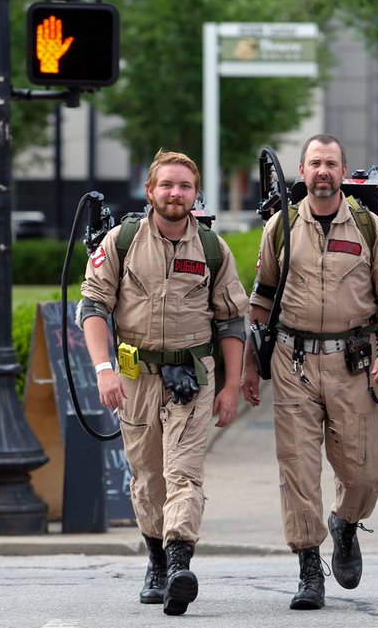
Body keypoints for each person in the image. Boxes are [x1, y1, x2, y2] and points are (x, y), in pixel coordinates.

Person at [241, 134, 378, 611]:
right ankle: (307, 567)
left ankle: (345, 522)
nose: (323, 171)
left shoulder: (368, 225)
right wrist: (250, 368)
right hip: (293, 361)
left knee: (367, 473)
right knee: (297, 469)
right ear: (301, 170)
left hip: (355, 362)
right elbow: (261, 301)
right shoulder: (280, 226)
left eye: (331, 163)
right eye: (315, 163)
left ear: (343, 171)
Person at [79, 149, 249, 617]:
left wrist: (231, 386)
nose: (176, 194)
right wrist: (103, 369)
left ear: (196, 195)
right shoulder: (121, 241)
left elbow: (234, 322)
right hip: (135, 376)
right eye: (167, 185)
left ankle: (179, 564)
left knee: (184, 473)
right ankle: (155, 559)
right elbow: (93, 307)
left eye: (185, 187)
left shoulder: (213, 248)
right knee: (148, 477)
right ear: (151, 191)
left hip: (192, 377)